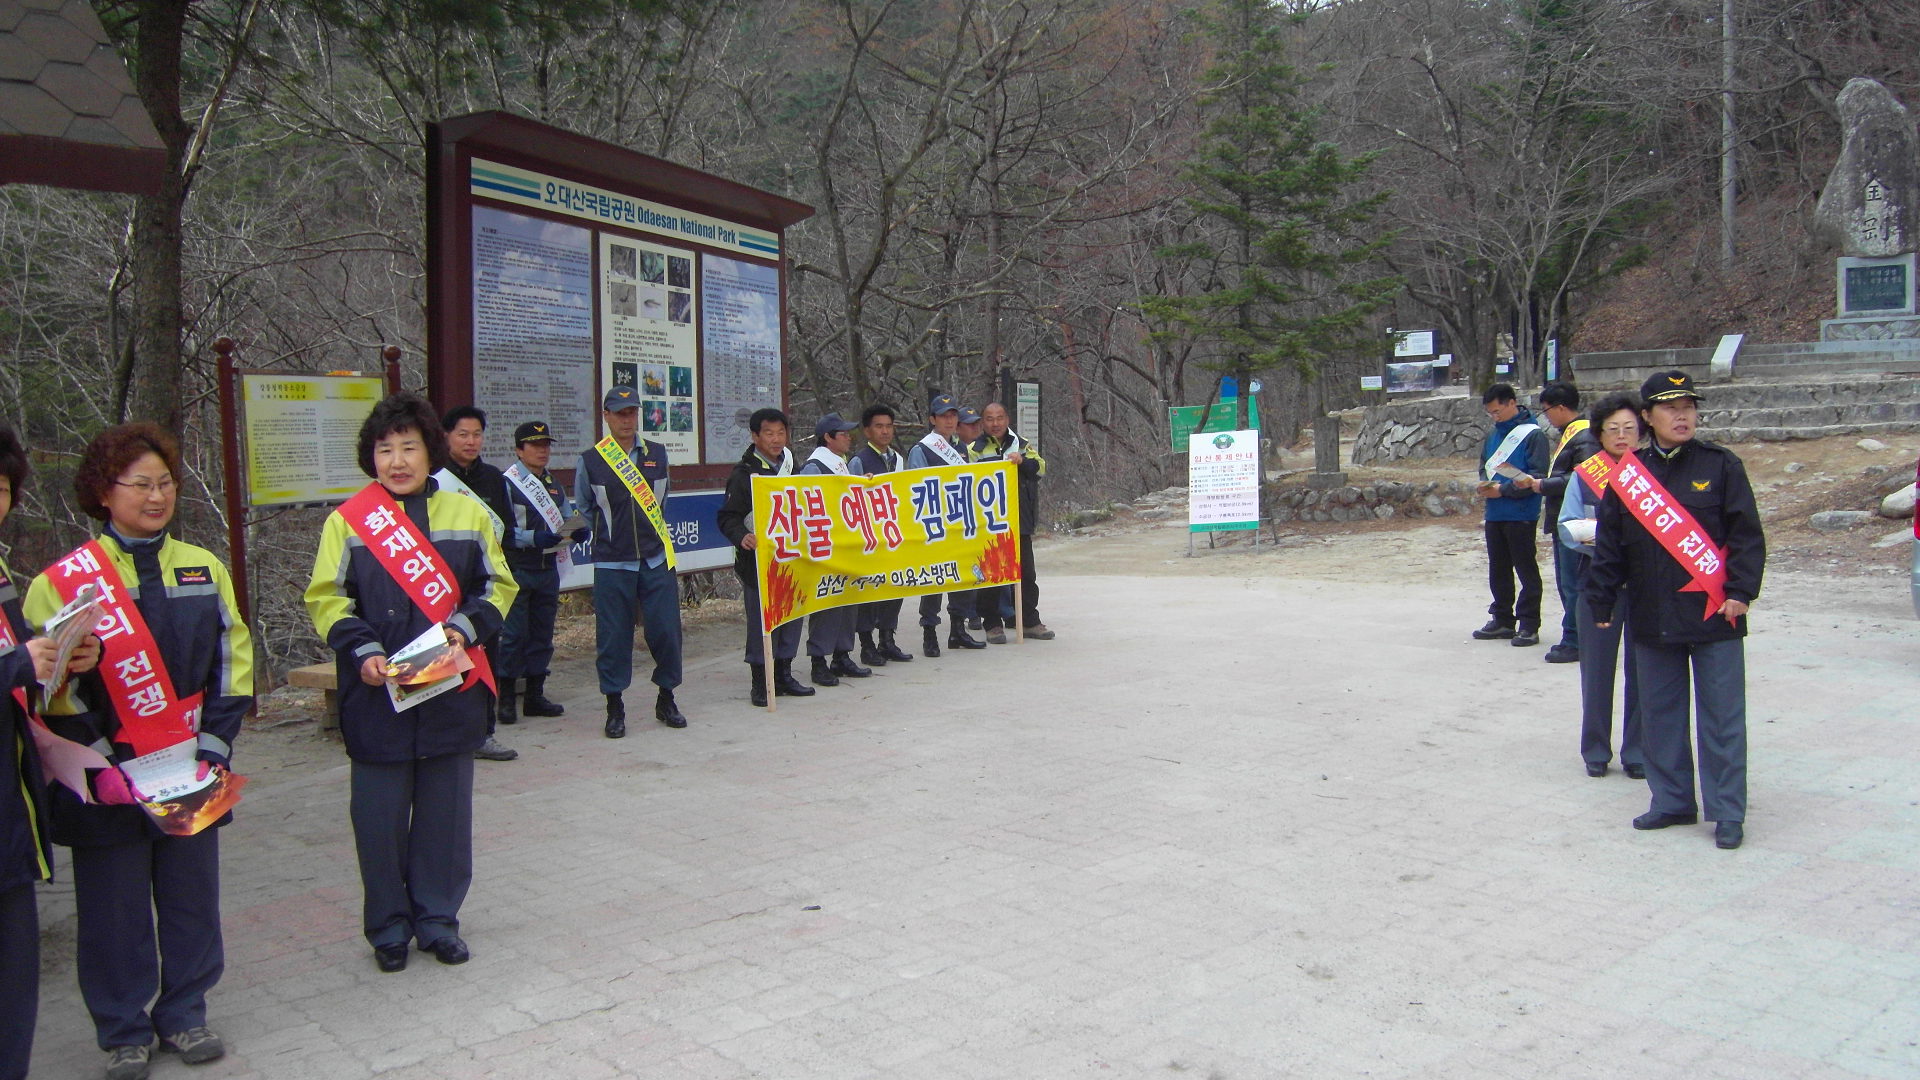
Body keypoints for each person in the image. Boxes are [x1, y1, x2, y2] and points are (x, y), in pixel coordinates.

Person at [25, 423, 253, 1079]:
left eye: (166, 483)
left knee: (190, 898)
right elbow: (46, 686)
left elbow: (232, 662)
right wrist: (102, 759)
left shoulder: (203, 567)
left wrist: (214, 746)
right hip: (105, 776)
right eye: (141, 485)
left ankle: (185, 1013)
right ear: (104, 491)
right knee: (113, 909)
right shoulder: (60, 582)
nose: (157, 497)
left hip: (190, 765)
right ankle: (123, 1029)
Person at [305, 393, 516, 973]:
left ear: (430, 453)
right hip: (377, 694)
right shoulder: (347, 522)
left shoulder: (467, 514)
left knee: (446, 818)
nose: (397, 461)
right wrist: (363, 650)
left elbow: (498, 587)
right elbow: (326, 598)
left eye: (409, 448)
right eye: (384, 450)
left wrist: (463, 630)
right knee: (378, 820)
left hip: (450, 689)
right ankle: (388, 927)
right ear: (370, 457)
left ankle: (439, 921)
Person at [1588, 371, 1765, 850]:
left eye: (1688, 406)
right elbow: (1610, 544)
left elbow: (1746, 535)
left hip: (1716, 613)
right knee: (1660, 714)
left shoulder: (1721, 465)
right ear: (1648, 416)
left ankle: (1727, 811)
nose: (1682, 415)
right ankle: (1672, 800)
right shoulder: (1629, 477)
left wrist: (1741, 591)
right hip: (1653, 613)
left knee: (1722, 718)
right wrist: (1601, 599)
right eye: (1670, 407)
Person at [1, 425, 97, 1080]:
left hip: (13, 813)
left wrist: (61, 658)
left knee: (15, 980)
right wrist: (16, 666)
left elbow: (22, 678)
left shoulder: (2, 575)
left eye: (2, 488)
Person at [576, 385, 688, 735]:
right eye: (620, 413)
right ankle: (614, 706)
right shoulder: (591, 460)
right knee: (613, 637)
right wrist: (611, 533)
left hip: (655, 559)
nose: (627, 419)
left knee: (666, 632)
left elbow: (663, 501)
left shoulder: (657, 453)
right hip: (613, 562)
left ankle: (666, 697)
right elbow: (585, 507)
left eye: (632, 412)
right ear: (606, 416)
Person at [1557, 393, 1646, 780]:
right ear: (1600, 434)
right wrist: (1609, 539)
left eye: (1629, 428)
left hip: (1645, 585)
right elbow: (1568, 527)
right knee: (1596, 670)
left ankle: (1638, 751)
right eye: (1613, 429)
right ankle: (1595, 749)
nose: (1622, 436)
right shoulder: (1585, 475)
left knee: (1643, 671)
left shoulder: (1653, 473)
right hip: (1597, 582)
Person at [717, 408, 815, 707]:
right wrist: (741, 537)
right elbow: (728, 517)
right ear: (755, 436)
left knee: (791, 617)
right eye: (769, 433)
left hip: (792, 557)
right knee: (763, 621)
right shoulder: (744, 473)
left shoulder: (792, 467)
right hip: (758, 562)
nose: (776, 439)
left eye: (781, 433)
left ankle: (784, 674)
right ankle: (761, 681)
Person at [438, 405, 518, 762]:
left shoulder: (492, 478)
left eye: (477, 435)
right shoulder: (435, 479)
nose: (471, 442)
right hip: (441, 585)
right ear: (446, 436)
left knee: (486, 657)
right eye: (463, 435)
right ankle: (446, 736)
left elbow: (506, 531)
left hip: (482, 587)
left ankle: (485, 732)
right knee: (445, 659)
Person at [499, 421, 586, 726]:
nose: (542, 451)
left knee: (542, 634)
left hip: (547, 569)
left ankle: (535, 695)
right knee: (513, 636)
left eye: (546, 445)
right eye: (535, 445)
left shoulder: (552, 483)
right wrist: (533, 538)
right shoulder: (508, 484)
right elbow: (501, 531)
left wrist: (577, 530)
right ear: (519, 450)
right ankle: (506, 698)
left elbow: (566, 516)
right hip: (518, 569)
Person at [1519, 382, 1595, 664]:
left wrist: (1543, 485)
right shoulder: (1572, 435)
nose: (1547, 417)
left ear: (1561, 408)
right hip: (1564, 518)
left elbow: (1583, 478)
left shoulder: (1584, 436)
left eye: (1547, 410)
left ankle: (1575, 639)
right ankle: (1575, 635)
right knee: (1567, 583)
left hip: (1575, 520)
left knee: (1573, 583)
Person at [1472, 383, 1549, 646]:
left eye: (1498, 411)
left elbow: (1537, 475)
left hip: (1521, 512)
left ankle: (1529, 623)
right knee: (1499, 568)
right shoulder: (1493, 435)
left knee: (1525, 568)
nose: (1495, 417)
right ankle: (1503, 618)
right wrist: (1486, 485)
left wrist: (1503, 490)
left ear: (1512, 403)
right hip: (1495, 512)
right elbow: (1485, 465)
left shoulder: (1533, 435)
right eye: (1490, 413)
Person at [908, 393, 985, 655]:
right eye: (944, 417)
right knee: (934, 579)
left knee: (961, 576)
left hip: (960, 522)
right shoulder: (922, 449)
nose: (950, 421)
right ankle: (929, 632)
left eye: (953, 416)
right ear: (933, 419)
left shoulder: (961, 448)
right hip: (934, 525)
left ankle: (958, 629)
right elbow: (915, 487)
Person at [970, 401, 1053, 642]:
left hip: (1019, 519)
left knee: (1026, 573)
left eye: (1000, 418)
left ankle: (1030, 621)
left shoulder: (1022, 444)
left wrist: (1022, 462)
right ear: (982, 422)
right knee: (991, 573)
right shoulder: (975, 449)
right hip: (989, 522)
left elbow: (1041, 469)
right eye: (989, 419)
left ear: (1007, 420)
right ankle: (992, 624)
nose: (995, 423)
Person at [799, 414, 871, 687]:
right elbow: (809, 506)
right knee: (826, 604)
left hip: (846, 544)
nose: (848, 437)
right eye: (842, 433)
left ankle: (842, 655)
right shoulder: (814, 467)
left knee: (848, 601)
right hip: (825, 547)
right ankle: (819, 660)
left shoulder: (840, 464)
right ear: (828, 437)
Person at [851, 405, 914, 667]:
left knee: (895, 585)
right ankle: (866, 645)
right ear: (867, 431)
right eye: (879, 426)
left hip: (894, 534)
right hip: (868, 537)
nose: (885, 431)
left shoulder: (898, 459)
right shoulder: (859, 460)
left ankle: (887, 640)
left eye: (889, 426)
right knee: (868, 590)